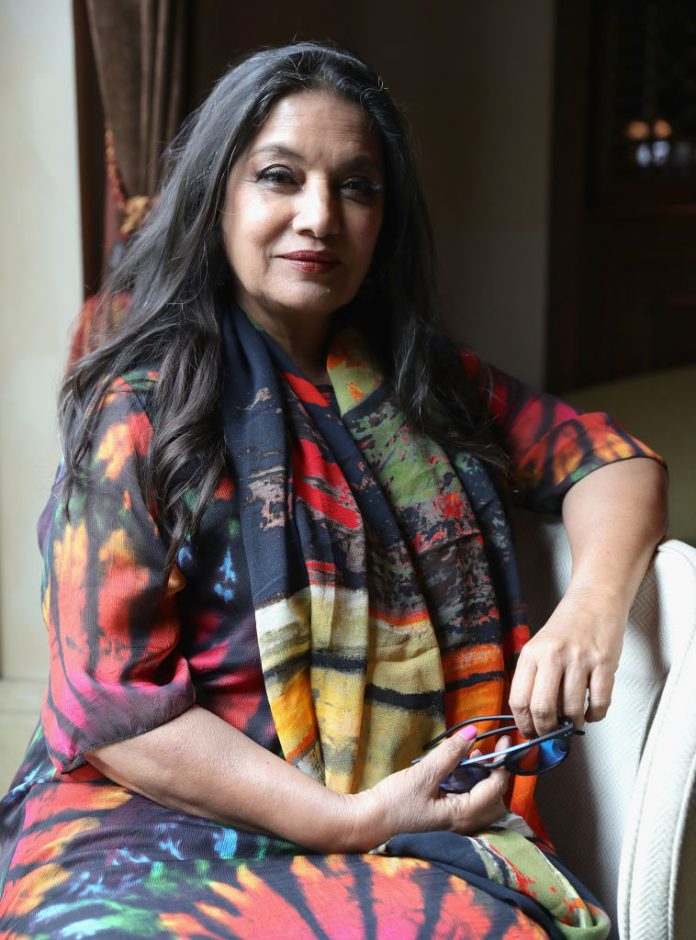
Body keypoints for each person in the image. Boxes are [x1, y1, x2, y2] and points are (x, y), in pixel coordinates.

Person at [0, 42, 666, 939]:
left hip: (403, 817)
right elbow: (111, 707)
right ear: (218, 196)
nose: (319, 217)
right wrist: (348, 821)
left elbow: (614, 460)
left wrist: (589, 610)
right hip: (153, 822)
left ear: (385, 219)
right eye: (279, 176)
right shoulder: (146, 407)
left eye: (356, 187)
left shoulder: (423, 388)